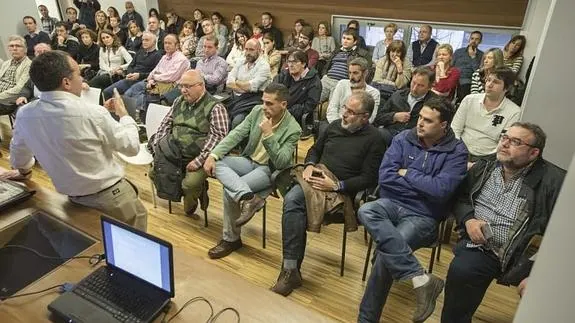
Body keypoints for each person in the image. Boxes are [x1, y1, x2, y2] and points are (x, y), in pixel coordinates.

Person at [8, 50, 147, 231]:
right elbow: (131, 147)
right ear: (66, 82)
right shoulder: (93, 113)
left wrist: (25, 171)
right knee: (132, 250)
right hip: (113, 200)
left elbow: (19, 160)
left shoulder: (25, 114)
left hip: (73, 202)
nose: (82, 80)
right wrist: (125, 116)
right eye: (78, 74)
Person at [441, 122, 565, 323]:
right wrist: (469, 220)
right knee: (462, 271)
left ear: (534, 153)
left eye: (515, 142)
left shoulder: (554, 182)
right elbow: (461, 198)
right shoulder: (485, 166)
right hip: (481, 247)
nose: (505, 144)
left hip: (521, 253)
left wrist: (538, 270)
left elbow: (562, 234)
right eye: (504, 137)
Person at [358, 98, 468, 323]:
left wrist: (408, 173)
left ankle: (366, 320)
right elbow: (386, 177)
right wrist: (422, 186)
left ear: (443, 126)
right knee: (367, 210)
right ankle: (420, 278)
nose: (420, 124)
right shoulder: (402, 138)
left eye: (428, 121)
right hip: (391, 204)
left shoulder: (457, 152)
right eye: (420, 118)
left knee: (384, 259)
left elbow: (441, 190)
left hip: (424, 215)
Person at [270, 91, 386, 296]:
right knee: (293, 201)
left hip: (341, 191)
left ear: (365, 117)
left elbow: (369, 179)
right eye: (345, 109)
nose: (345, 114)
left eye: (351, 112)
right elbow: (315, 149)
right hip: (315, 178)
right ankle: (290, 270)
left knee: (294, 204)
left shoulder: (375, 139)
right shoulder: (333, 127)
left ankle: (290, 271)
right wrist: (309, 165)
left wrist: (336, 185)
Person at [204, 83, 301, 259]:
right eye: (264, 101)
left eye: (270, 103)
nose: (265, 107)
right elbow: (237, 133)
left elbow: (281, 163)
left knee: (229, 190)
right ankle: (249, 198)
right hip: (249, 160)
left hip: (268, 170)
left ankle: (231, 239)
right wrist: (214, 154)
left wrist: (269, 135)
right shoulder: (257, 111)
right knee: (217, 163)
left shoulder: (293, 128)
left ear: (284, 104)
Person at [148, 70, 229, 217]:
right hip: (174, 153)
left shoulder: (215, 108)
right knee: (154, 173)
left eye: (188, 86)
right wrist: (158, 148)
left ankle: (191, 203)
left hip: (197, 157)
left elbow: (219, 138)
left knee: (189, 185)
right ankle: (191, 191)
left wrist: (199, 161)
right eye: (181, 86)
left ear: (200, 85)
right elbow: (164, 125)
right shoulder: (179, 101)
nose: (183, 90)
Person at [452, 68, 521, 163]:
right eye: (488, 80)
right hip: (459, 150)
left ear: (506, 88)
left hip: (488, 158)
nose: (489, 85)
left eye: (496, 82)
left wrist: (482, 164)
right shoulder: (469, 100)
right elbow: (455, 129)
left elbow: (504, 143)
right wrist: (457, 151)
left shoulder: (514, 111)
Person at [124, 34, 190, 119]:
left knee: (143, 95)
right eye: (165, 43)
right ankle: (130, 117)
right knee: (130, 92)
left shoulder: (182, 59)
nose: (166, 45)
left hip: (170, 86)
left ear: (177, 45)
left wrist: (154, 77)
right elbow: (153, 71)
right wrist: (151, 80)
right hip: (155, 82)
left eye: (170, 43)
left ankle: (139, 118)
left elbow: (170, 77)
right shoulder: (164, 57)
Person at [102, 31, 162, 100]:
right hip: (130, 79)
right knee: (106, 92)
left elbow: (155, 74)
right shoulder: (140, 52)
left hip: (143, 81)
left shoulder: (158, 56)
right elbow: (131, 65)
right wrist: (130, 73)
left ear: (154, 42)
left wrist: (139, 75)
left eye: (147, 40)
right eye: (143, 40)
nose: (144, 42)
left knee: (125, 98)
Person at [225, 39, 271, 128]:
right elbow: (229, 82)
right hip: (235, 99)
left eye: (251, 50)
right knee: (220, 115)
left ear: (259, 50)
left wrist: (237, 82)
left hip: (253, 101)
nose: (248, 53)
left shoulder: (264, 66)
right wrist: (242, 87)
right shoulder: (240, 62)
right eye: (246, 49)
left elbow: (250, 86)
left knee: (237, 121)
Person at [320, 28, 372, 102]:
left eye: (348, 39)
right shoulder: (337, 50)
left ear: (355, 42)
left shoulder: (363, 54)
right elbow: (327, 65)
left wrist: (354, 85)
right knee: (313, 101)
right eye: (344, 38)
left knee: (332, 106)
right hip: (326, 80)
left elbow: (367, 72)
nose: (345, 41)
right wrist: (324, 75)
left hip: (342, 83)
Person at [273, 50, 321, 128]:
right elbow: (273, 90)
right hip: (278, 111)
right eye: (289, 62)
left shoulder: (314, 80)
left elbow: (309, 105)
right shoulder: (284, 74)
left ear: (303, 64)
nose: (291, 65)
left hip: (296, 119)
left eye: (295, 62)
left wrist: (288, 112)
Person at [326, 57, 380, 124]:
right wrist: (338, 126)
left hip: (359, 129)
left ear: (365, 73)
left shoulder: (374, 93)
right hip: (337, 125)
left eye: (355, 73)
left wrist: (352, 128)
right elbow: (332, 109)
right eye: (349, 73)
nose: (351, 77)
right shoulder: (342, 84)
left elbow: (370, 118)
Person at [0, 36, 32, 115]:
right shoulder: (6, 63)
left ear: (25, 49)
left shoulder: (28, 65)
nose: (14, 48)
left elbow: (19, 88)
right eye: (11, 46)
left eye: (18, 46)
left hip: (9, 101)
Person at [453, 31, 483, 102]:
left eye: (477, 39)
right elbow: (451, 65)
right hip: (455, 77)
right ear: (469, 39)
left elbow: (478, 71)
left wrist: (473, 57)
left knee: (465, 85)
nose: (474, 41)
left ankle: (460, 104)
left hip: (468, 80)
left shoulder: (481, 55)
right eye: (472, 38)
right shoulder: (459, 51)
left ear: (480, 41)